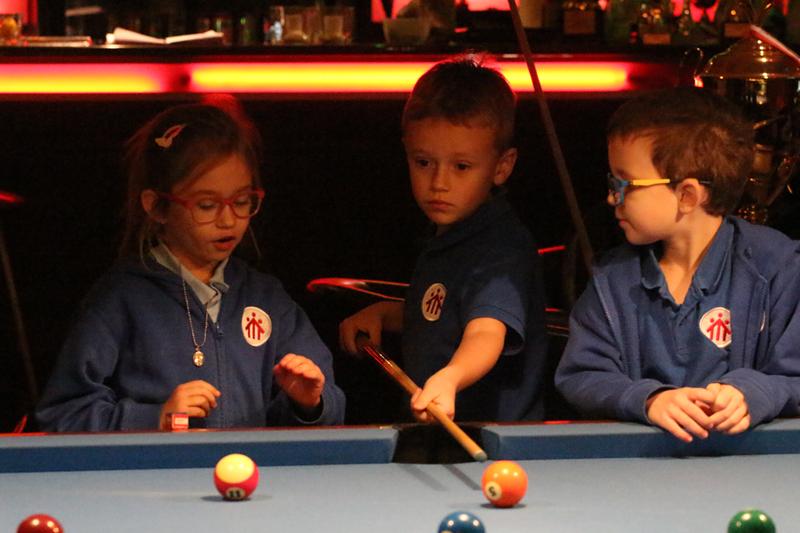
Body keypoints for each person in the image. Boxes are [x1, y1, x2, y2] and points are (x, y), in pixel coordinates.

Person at [36, 100, 345, 431]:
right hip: (156, 467)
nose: (228, 220)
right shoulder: (121, 297)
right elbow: (62, 415)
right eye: (207, 205)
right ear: (157, 207)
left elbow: (330, 404)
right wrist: (156, 418)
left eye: (242, 201)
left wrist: (309, 404)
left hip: (248, 465)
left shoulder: (265, 296)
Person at [555, 87, 800, 442]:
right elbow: (581, 376)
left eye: (624, 183)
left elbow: (794, 376)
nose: (611, 197)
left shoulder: (778, 267)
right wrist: (649, 399)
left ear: (687, 195)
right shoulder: (613, 278)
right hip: (640, 465)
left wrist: (753, 392)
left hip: (751, 459)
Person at [339, 56, 548, 422]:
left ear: (502, 166)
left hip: (494, 438)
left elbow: (485, 333)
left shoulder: (501, 248)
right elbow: (442, 313)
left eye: (461, 166)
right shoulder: (448, 236)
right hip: (439, 432)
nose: (439, 183)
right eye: (424, 162)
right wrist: (385, 314)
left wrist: (452, 376)